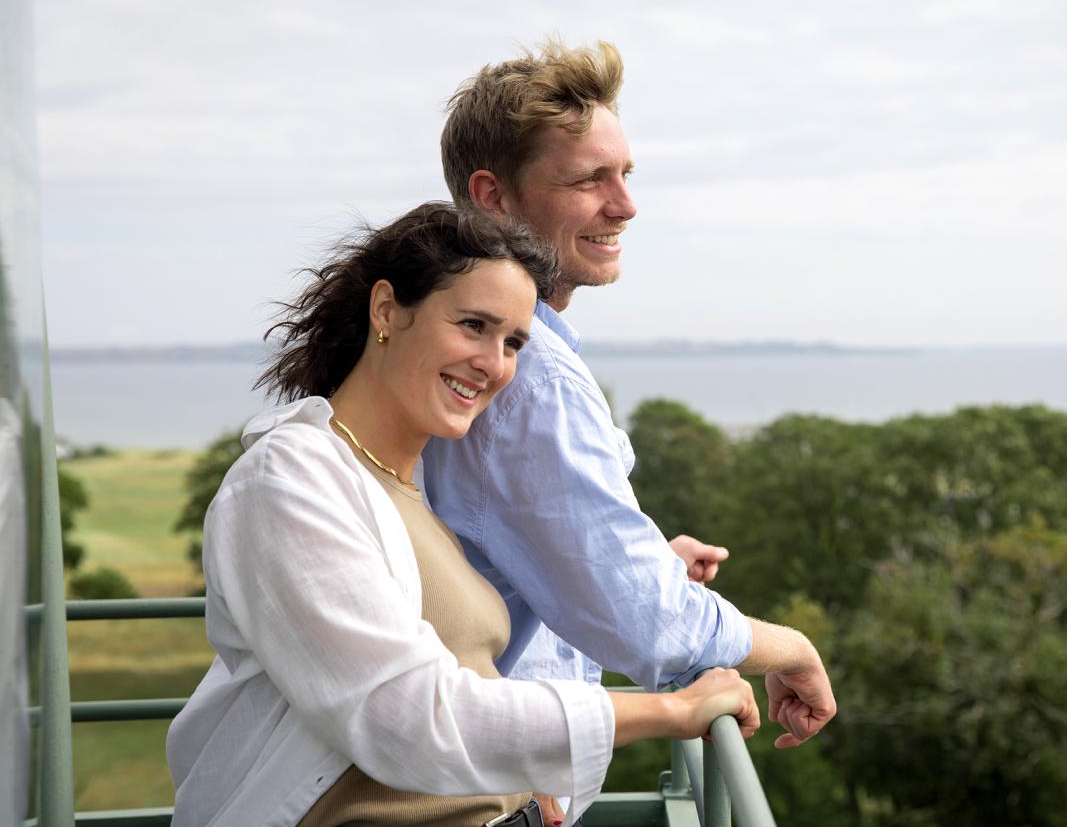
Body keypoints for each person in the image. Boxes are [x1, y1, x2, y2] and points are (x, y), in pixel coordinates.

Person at [165, 202, 759, 827]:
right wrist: (669, 712)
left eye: (513, 343)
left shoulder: (407, 486)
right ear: (387, 310)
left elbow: (446, 654)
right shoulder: (289, 480)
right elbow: (406, 716)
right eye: (473, 325)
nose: (495, 364)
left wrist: (520, 779)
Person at [423, 40, 836, 773]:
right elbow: (650, 626)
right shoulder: (533, 377)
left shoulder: (461, 341)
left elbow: (496, 549)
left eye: (625, 174)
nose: (625, 205)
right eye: (589, 180)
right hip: (479, 784)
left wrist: (637, 559)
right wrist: (791, 646)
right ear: (493, 197)